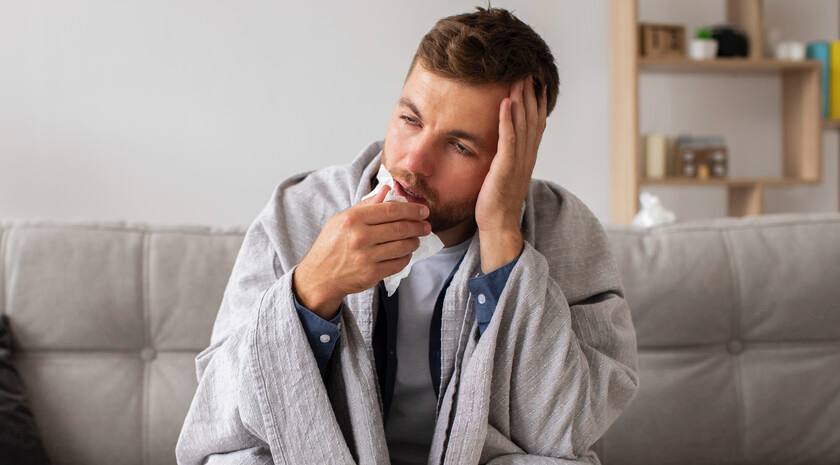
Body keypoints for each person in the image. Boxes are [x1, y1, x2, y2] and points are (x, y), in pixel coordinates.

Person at [176, 7, 639, 465]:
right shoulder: (297, 212)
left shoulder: (564, 229)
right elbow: (220, 414)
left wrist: (502, 236)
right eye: (410, 120)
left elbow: (562, 432)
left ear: (516, 154)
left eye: (460, 146)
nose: (414, 162)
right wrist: (312, 288)